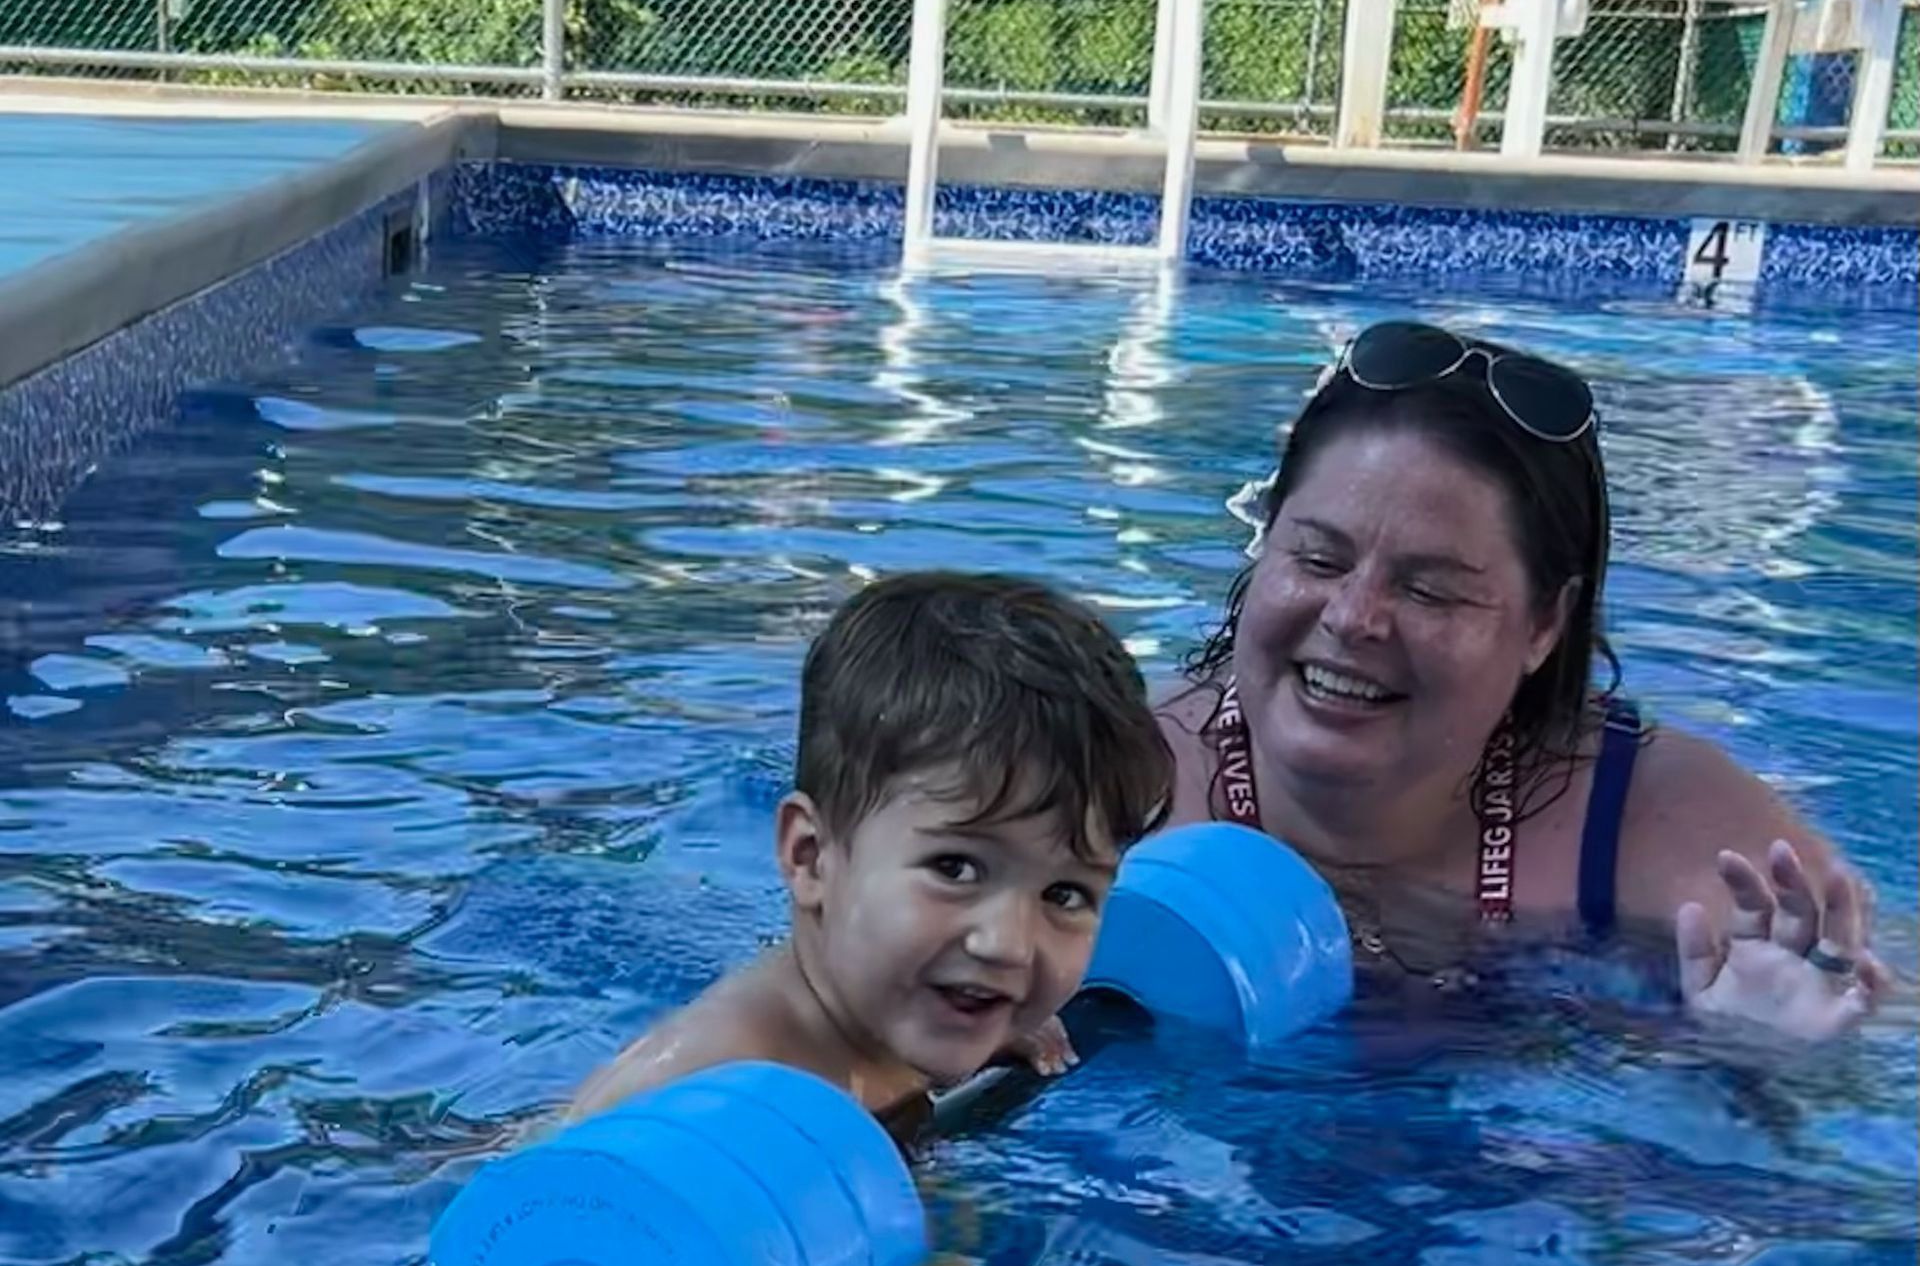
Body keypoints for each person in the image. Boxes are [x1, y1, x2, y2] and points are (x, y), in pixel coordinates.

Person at [1159, 320, 1889, 1037]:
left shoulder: (1678, 837)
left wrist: (1773, 1066)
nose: (1353, 617)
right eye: (1318, 559)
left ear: (1545, 623)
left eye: (1431, 589)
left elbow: (1885, 1040)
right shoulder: (1106, 779)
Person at [564, 569, 1172, 1124]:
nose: (1009, 946)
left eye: (1064, 893)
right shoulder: (705, 1091)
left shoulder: (880, 1014)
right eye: (955, 868)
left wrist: (977, 1016)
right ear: (811, 857)